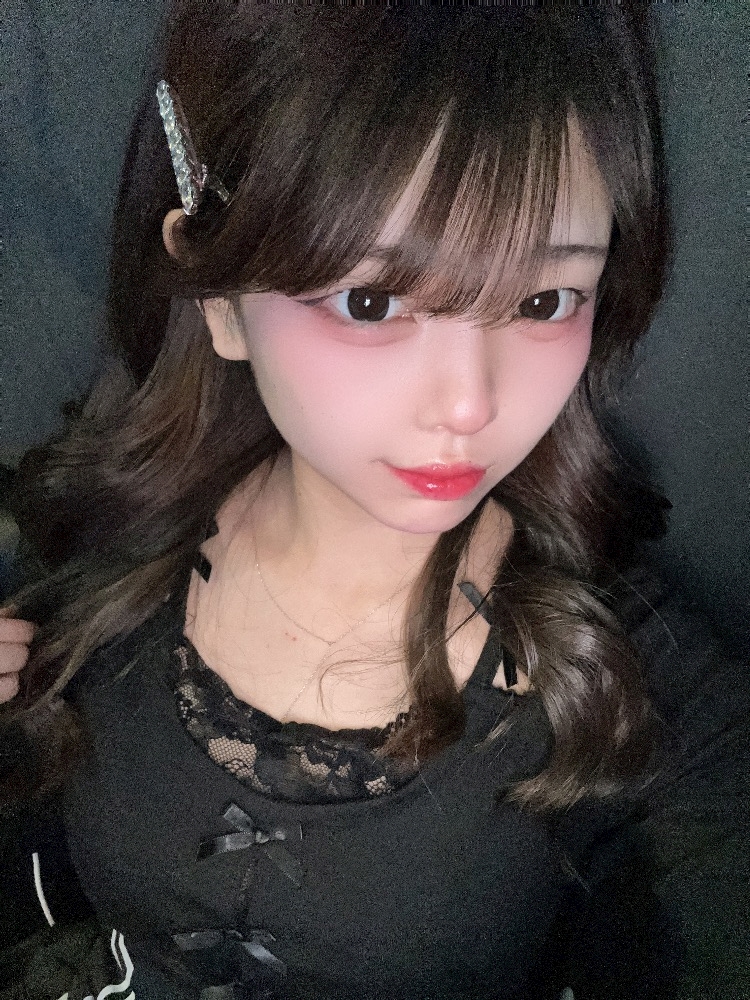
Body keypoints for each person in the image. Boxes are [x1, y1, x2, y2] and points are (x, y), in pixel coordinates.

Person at [0, 6, 747, 999]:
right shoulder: (104, 551)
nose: (469, 405)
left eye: (543, 301)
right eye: (370, 302)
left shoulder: (639, 686)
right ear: (219, 297)